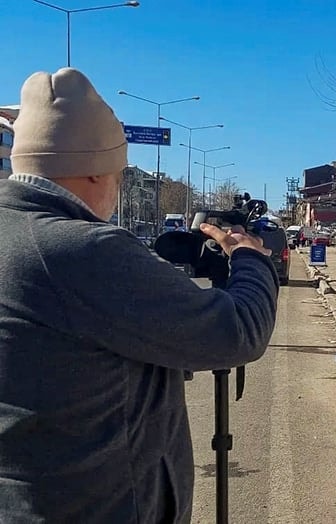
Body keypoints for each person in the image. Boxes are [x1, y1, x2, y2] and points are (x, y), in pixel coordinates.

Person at [0, 68, 279, 523]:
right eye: (120, 173)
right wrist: (250, 259)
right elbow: (237, 332)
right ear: (94, 170)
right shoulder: (82, 250)